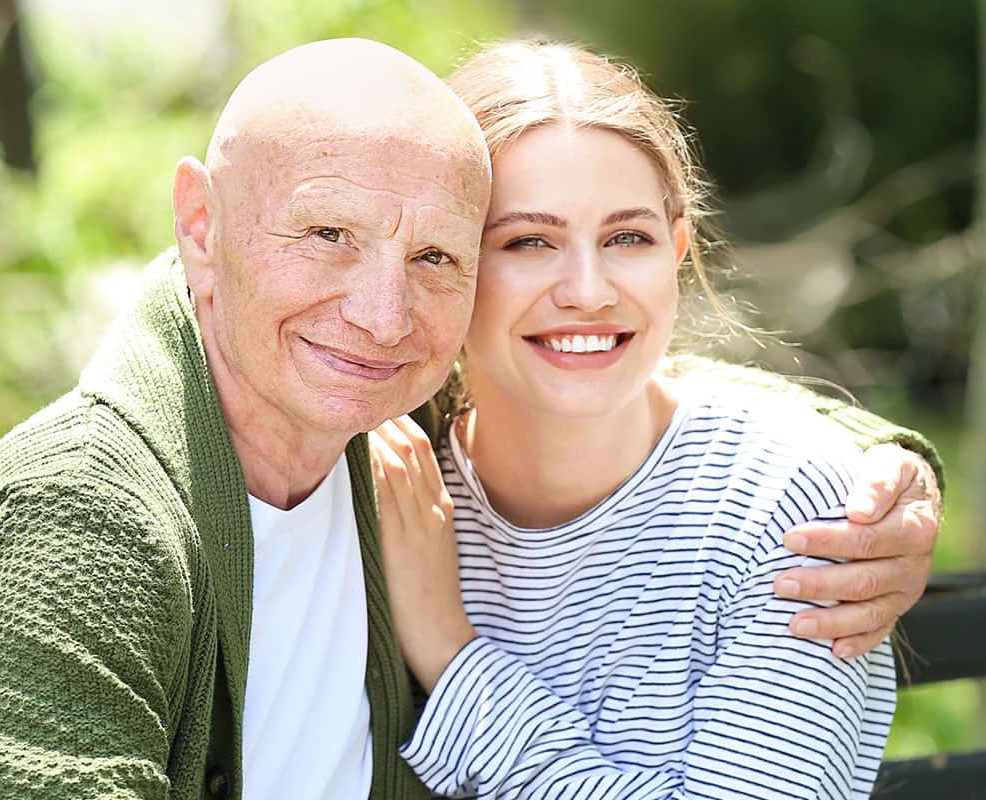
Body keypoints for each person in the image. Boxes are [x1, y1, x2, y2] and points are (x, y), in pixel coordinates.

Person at [0, 38, 940, 800]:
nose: (379, 311)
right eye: (522, 242)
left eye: (430, 257)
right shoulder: (127, 515)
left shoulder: (395, 455)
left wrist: (888, 465)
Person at [370, 41, 914, 798]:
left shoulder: (789, 510)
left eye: (627, 238)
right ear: (442, 265)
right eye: (529, 241)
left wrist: (453, 657)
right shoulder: (387, 495)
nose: (588, 291)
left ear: (678, 251)